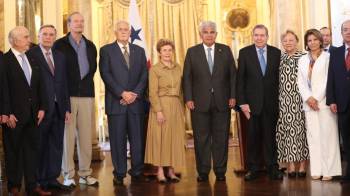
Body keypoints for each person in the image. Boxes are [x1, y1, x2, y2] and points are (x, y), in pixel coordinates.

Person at [183, 21, 236, 182]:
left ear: (216, 34)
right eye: (205, 32)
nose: (209, 35)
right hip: (199, 103)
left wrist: (233, 96)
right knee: (201, 138)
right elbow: (187, 78)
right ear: (201, 35)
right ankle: (203, 171)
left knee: (221, 138)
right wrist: (189, 98)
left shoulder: (225, 50)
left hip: (223, 102)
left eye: (212, 32)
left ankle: (220, 171)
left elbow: (233, 76)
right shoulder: (192, 52)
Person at [2, 26, 50, 195]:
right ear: (14, 41)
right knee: (13, 152)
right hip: (13, 116)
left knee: (32, 151)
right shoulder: (4, 60)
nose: (29, 40)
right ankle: (14, 187)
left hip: (33, 114)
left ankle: (32, 185)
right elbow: (3, 88)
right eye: (25, 37)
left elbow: (39, 85)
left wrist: (43, 107)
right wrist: (6, 113)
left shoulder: (32, 58)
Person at [99, 20, 148, 186]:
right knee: (117, 140)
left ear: (130, 32)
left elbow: (144, 75)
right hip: (116, 103)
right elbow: (105, 74)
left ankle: (137, 170)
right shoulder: (106, 50)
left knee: (137, 140)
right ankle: (119, 173)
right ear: (115, 32)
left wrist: (135, 94)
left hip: (136, 103)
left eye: (126, 30)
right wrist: (122, 93)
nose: (124, 32)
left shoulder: (140, 51)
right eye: (120, 30)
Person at [53, 12, 98, 186]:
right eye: (75, 21)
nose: (79, 24)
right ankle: (68, 175)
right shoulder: (59, 45)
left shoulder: (91, 45)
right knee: (67, 137)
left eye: (82, 21)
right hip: (67, 96)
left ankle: (86, 174)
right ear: (69, 25)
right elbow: (56, 73)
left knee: (86, 137)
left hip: (86, 95)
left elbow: (92, 69)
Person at [237, 24, 283, 181]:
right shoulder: (244, 53)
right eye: (256, 35)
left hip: (271, 103)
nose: (259, 38)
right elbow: (240, 81)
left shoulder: (276, 53)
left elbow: (279, 80)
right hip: (252, 105)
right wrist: (242, 103)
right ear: (253, 36)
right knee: (253, 138)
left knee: (270, 137)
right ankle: (253, 169)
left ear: (267, 37)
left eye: (262, 35)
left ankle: (272, 167)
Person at [27, 25, 71, 190]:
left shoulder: (60, 56)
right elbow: (30, 85)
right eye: (44, 34)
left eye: (51, 35)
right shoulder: (31, 55)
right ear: (38, 36)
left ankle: (52, 178)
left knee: (56, 144)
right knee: (40, 145)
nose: (48, 37)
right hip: (41, 110)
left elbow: (64, 83)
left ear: (55, 37)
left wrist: (67, 108)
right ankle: (38, 181)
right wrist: (37, 107)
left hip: (59, 107)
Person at [298, 29, 341, 181]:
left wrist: (316, 98)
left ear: (320, 41)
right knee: (313, 137)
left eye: (315, 39)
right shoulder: (302, 60)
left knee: (328, 136)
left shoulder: (329, 57)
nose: (312, 43)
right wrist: (308, 98)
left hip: (324, 103)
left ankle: (329, 170)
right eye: (309, 40)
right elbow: (300, 82)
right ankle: (317, 169)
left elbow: (328, 81)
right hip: (308, 104)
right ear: (306, 43)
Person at [144, 39, 186, 183]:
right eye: (164, 50)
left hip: (176, 105)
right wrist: (158, 111)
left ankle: (171, 170)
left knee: (173, 139)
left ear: (173, 51)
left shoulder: (178, 67)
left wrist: (182, 108)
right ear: (159, 53)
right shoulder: (155, 69)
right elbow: (152, 92)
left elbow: (182, 90)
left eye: (169, 50)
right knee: (160, 139)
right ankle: (160, 171)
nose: (167, 53)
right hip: (161, 105)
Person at [275, 30, 309, 178]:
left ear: (296, 41)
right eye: (285, 40)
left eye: (291, 40)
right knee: (287, 133)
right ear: (282, 43)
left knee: (301, 132)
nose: (288, 42)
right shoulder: (279, 58)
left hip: (300, 100)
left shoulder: (304, 57)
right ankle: (290, 165)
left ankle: (302, 165)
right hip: (283, 101)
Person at [326, 20, 350, 182]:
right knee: (347, 140)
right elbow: (331, 77)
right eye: (345, 30)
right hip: (342, 103)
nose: (348, 32)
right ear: (341, 33)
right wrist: (332, 100)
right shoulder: (335, 52)